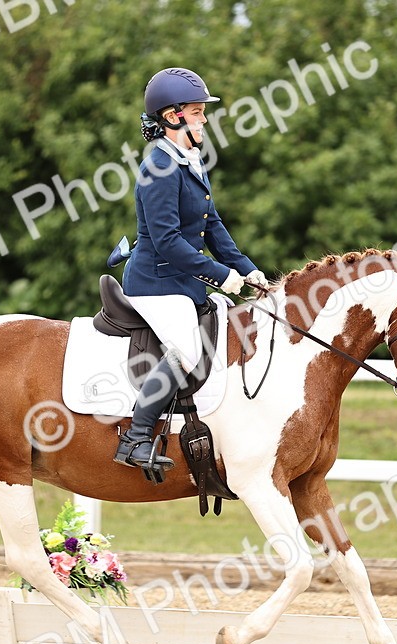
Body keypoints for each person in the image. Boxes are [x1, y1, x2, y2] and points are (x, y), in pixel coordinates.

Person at [113, 67, 268, 471]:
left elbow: (213, 227)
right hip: (155, 282)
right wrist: (221, 276)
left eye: (202, 111)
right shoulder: (158, 170)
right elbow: (167, 242)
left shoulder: (189, 162)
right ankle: (136, 437)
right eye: (197, 112)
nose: (203, 119)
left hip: (180, 280)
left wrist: (249, 272)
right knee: (185, 350)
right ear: (172, 116)